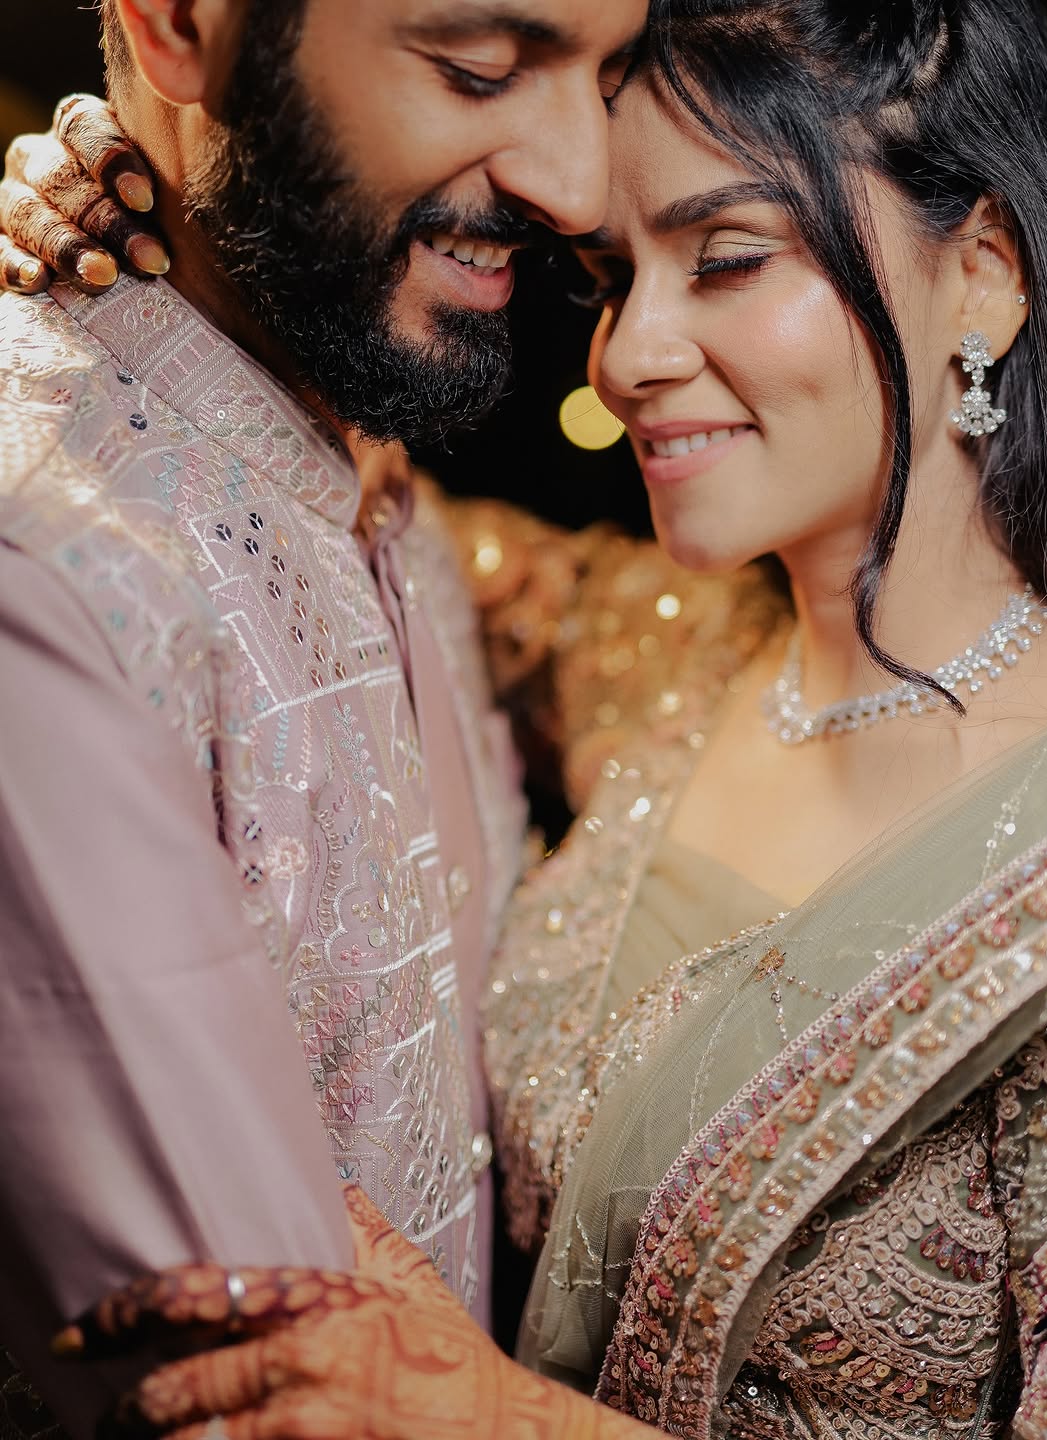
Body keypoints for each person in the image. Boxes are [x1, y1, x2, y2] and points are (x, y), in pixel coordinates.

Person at [13, 0, 1047, 1435]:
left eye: (727, 260)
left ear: (989, 272)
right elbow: (311, 506)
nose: (628, 356)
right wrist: (119, 252)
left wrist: (498, 1421)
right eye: (609, 279)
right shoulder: (675, 660)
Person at [0, 0, 675, 1434]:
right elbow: (244, 1382)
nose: (576, 184)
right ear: (180, 26)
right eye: (478, 68)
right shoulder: (54, 573)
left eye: (609, 76)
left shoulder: (368, 458)